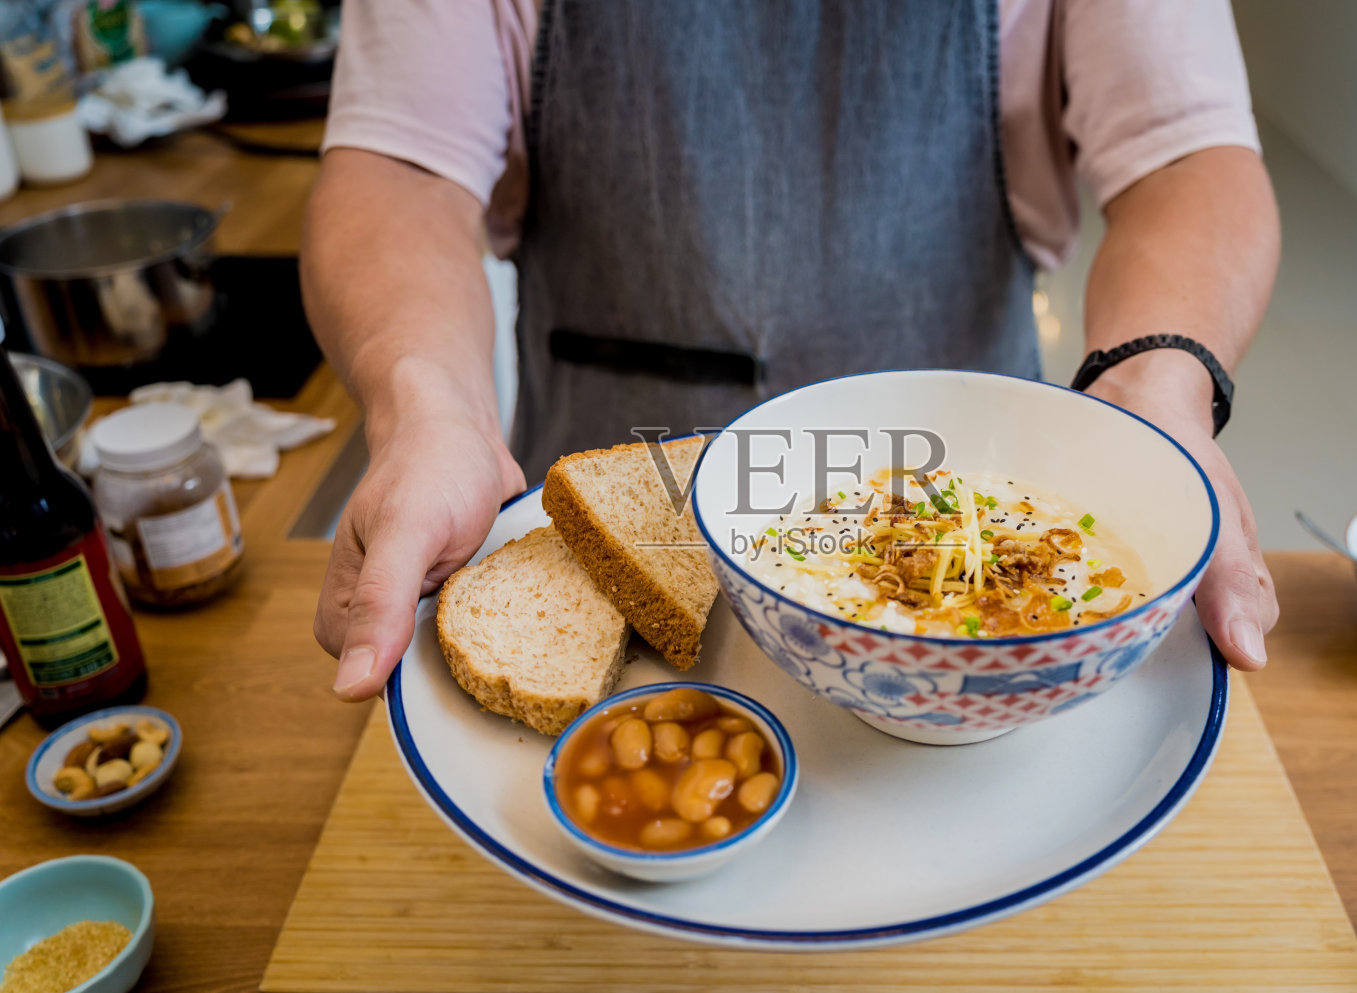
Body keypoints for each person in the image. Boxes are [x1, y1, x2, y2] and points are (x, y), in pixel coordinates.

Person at [306, 0, 1282, 700]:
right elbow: (401, 168)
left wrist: (1156, 379)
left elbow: (1184, 157)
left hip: (972, 524)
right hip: (606, 525)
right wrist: (426, 405)